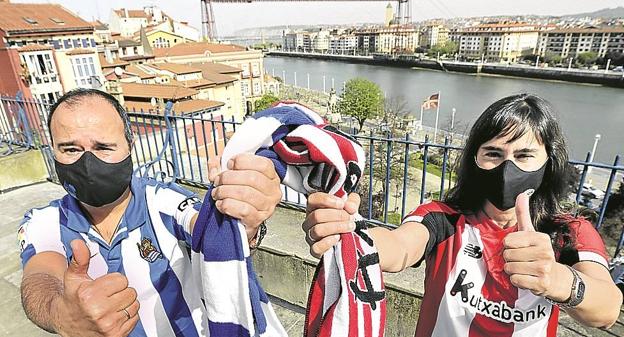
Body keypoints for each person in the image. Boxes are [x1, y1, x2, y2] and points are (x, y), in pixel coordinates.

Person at [303, 94, 622, 336]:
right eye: (493, 154)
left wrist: (556, 278)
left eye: (524, 155)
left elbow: (607, 309)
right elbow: (399, 248)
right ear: (474, 160)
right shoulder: (443, 218)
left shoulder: (569, 231)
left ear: (549, 163)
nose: (507, 169)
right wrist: (350, 231)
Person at [18, 88, 283, 337]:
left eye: (104, 147)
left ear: (129, 146)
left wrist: (243, 221)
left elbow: (206, 228)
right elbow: (39, 278)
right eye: (71, 149)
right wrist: (60, 313)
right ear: (53, 151)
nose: (88, 163)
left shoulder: (163, 201)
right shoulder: (44, 221)